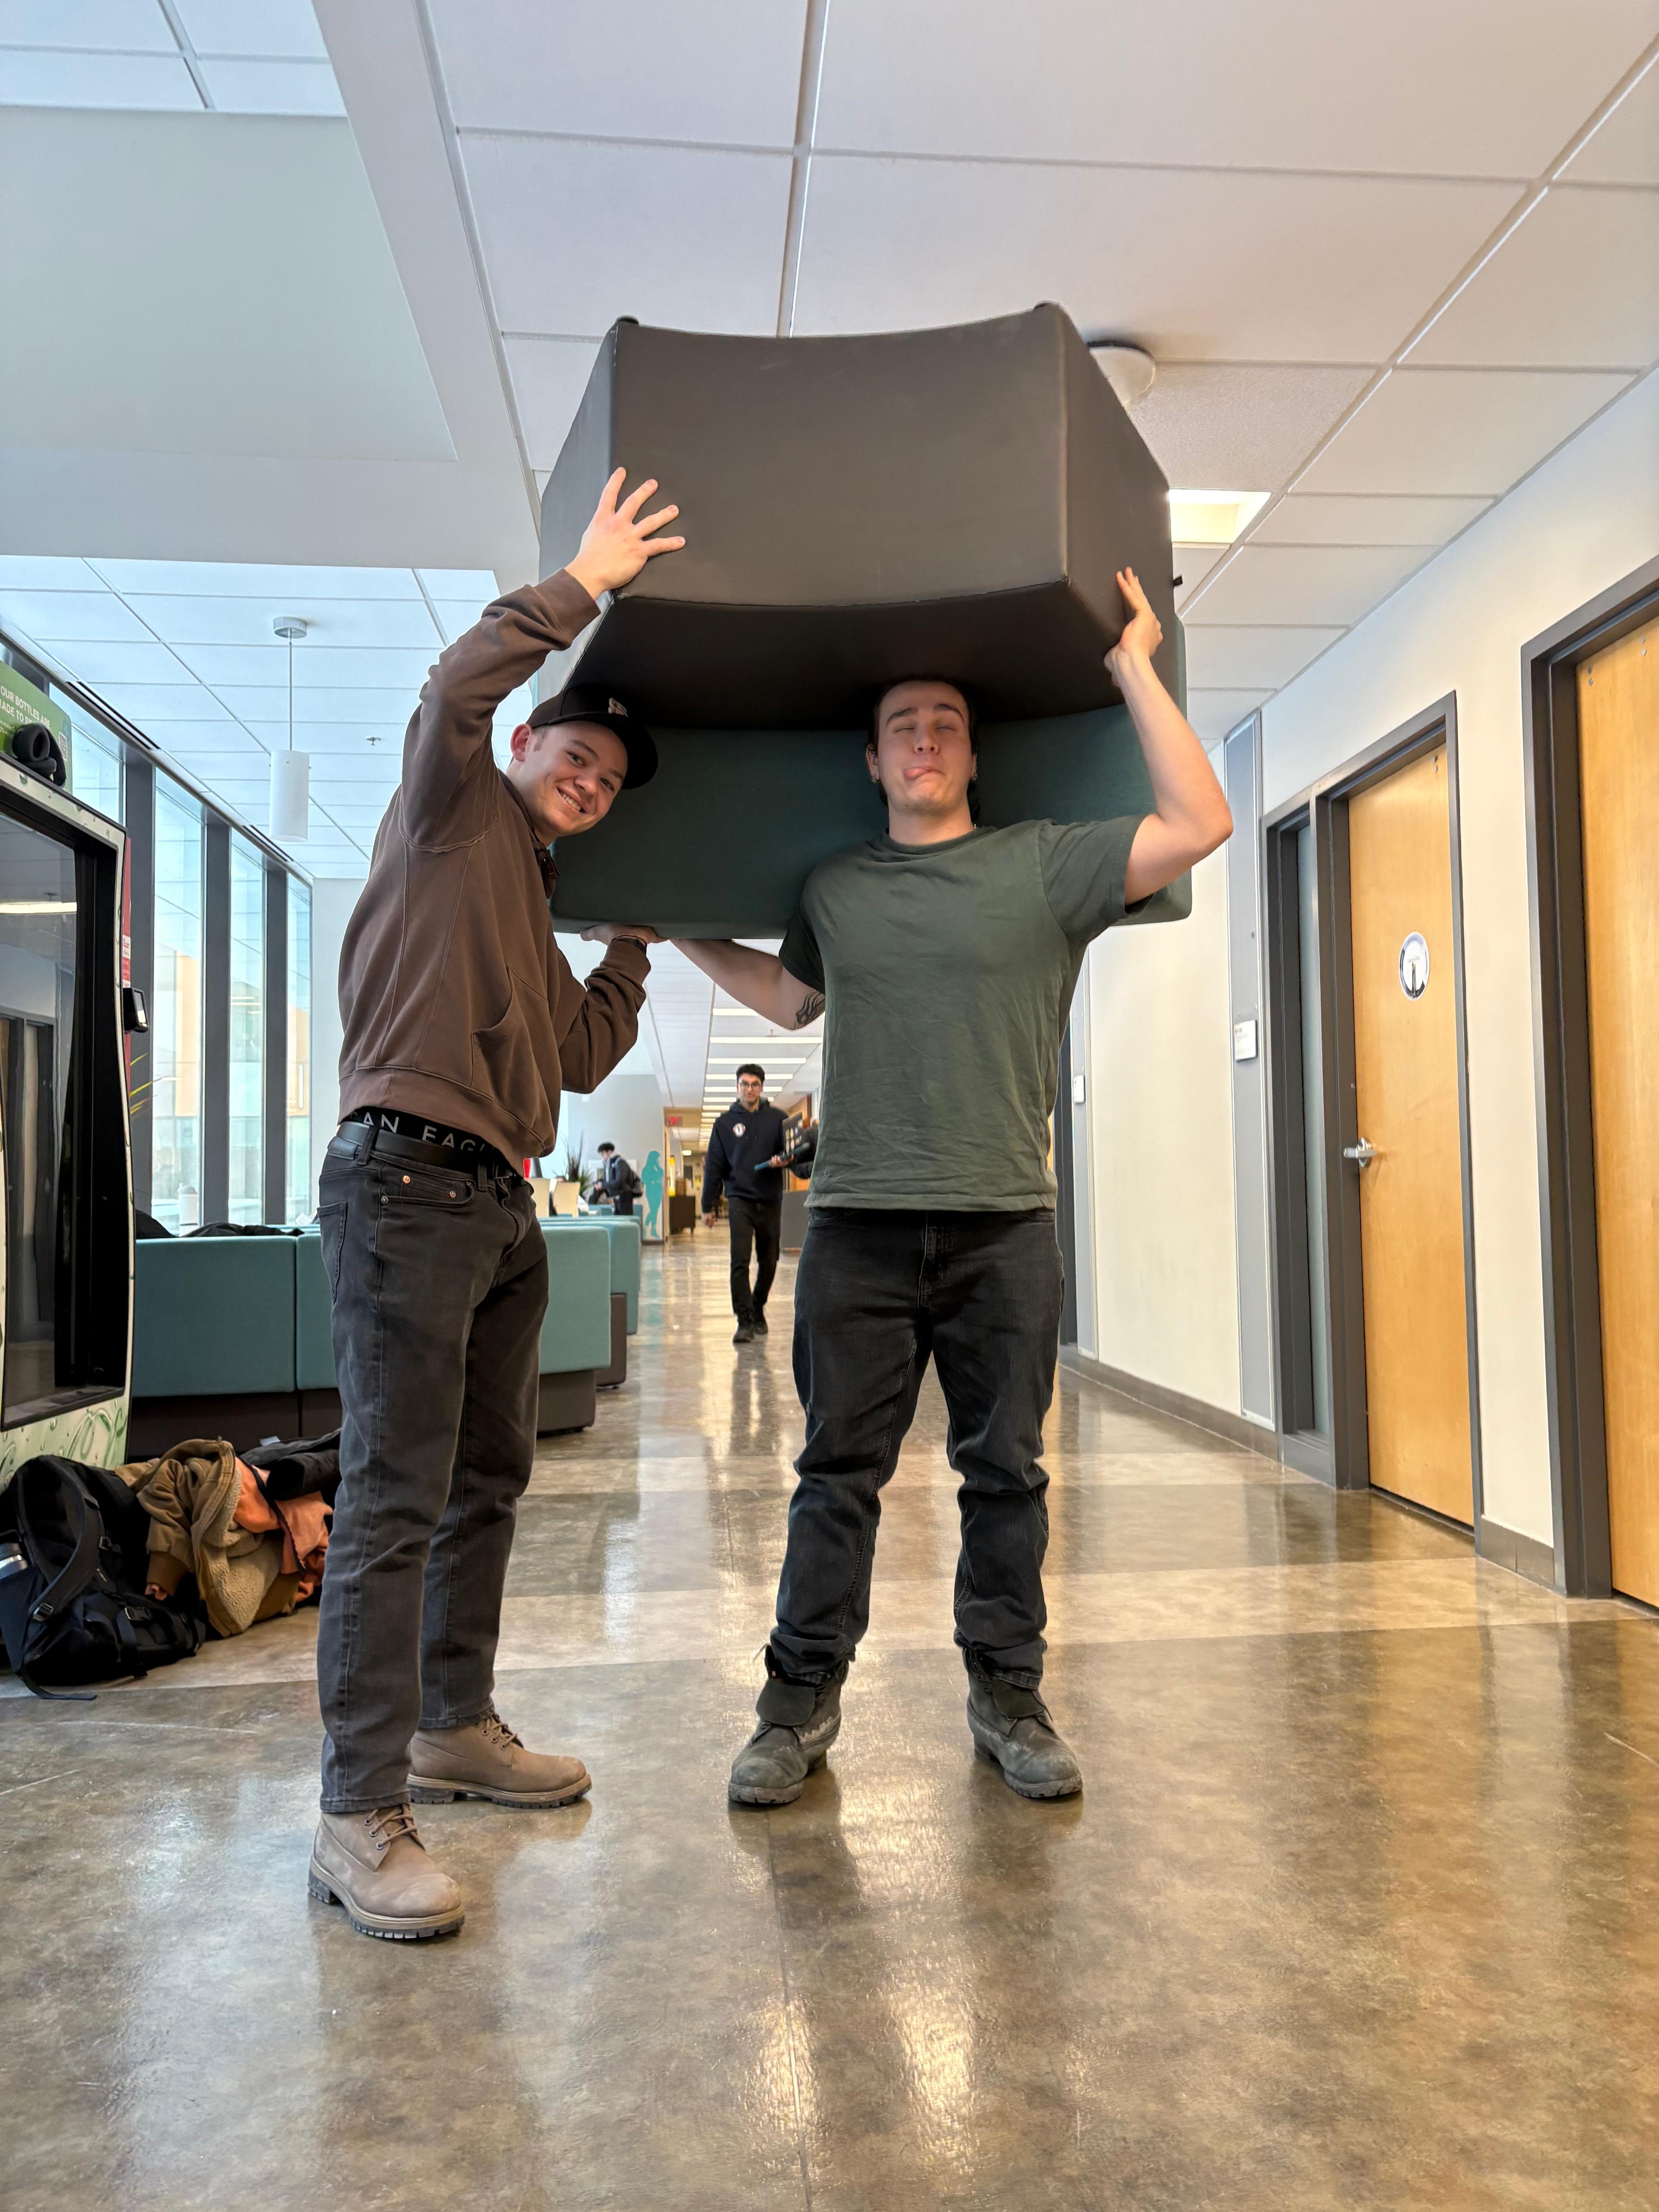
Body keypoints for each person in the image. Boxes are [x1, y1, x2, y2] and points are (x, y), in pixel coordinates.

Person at [673, 570, 1231, 1808]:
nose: (923, 740)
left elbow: (1198, 821)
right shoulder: (836, 889)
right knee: (835, 1476)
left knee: (1007, 1478)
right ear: (872, 762)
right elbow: (790, 1001)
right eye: (902, 727)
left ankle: (1009, 1697)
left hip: (1003, 1228)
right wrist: (677, 930)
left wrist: (1133, 664)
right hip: (857, 1231)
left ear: (974, 755)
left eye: (945, 725)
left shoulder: (1048, 866)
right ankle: (796, 1705)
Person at [308, 468, 682, 1942]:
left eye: (607, 784)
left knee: (486, 1482)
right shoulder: (453, 806)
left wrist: (632, 946)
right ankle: (355, 1810)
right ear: (525, 745)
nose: (589, 784)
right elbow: (456, 686)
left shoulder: (529, 893)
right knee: (394, 1497)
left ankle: (450, 1727)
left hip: (498, 1205)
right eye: (577, 758)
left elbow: (578, 1055)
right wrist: (581, 585)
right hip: (405, 1180)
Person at [702, 1064, 787, 1344]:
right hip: (740, 1199)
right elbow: (714, 1167)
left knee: (770, 1261)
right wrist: (707, 1207)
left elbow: (791, 1153)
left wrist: (785, 1160)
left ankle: (758, 1305)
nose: (749, 1089)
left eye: (755, 1084)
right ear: (738, 1087)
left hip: (770, 1198)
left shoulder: (778, 1119)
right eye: (745, 1084)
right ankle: (744, 1321)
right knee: (740, 1261)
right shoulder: (724, 1123)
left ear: (761, 1087)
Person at [592, 1140, 642, 1217]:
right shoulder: (610, 1165)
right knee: (619, 1220)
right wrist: (601, 1185)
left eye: (603, 1154)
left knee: (625, 1220)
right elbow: (610, 1181)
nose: (603, 1157)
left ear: (609, 1152)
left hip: (624, 1197)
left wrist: (603, 1185)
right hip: (616, 1198)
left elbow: (619, 1182)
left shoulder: (620, 1162)